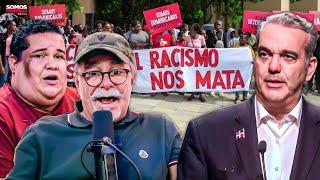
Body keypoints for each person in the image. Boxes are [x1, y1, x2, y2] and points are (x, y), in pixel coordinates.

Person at [7, 32, 181, 179]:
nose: (106, 84)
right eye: (93, 74)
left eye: (117, 72)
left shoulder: (161, 128)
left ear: (132, 79)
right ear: (76, 80)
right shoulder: (41, 135)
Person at [177, 12, 320, 179]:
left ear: (309, 68)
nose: (273, 66)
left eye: (288, 56)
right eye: (264, 54)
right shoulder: (205, 133)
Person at [0, 20, 79, 177]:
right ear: (14, 63)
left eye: (59, 56)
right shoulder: (3, 114)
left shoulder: (81, 101)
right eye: (39, 55)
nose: (52, 65)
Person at [184, 23, 207, 102]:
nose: (190, 31)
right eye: (190, 29)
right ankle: (192, 94)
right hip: (190, 62)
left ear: (196, 31)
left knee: (200, 78)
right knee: (192, 77)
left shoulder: (201, 37)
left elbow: (204, 48)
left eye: (192, 30)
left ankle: (200, 95)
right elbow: (184, 49)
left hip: (199, 61)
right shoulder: (187, 38)